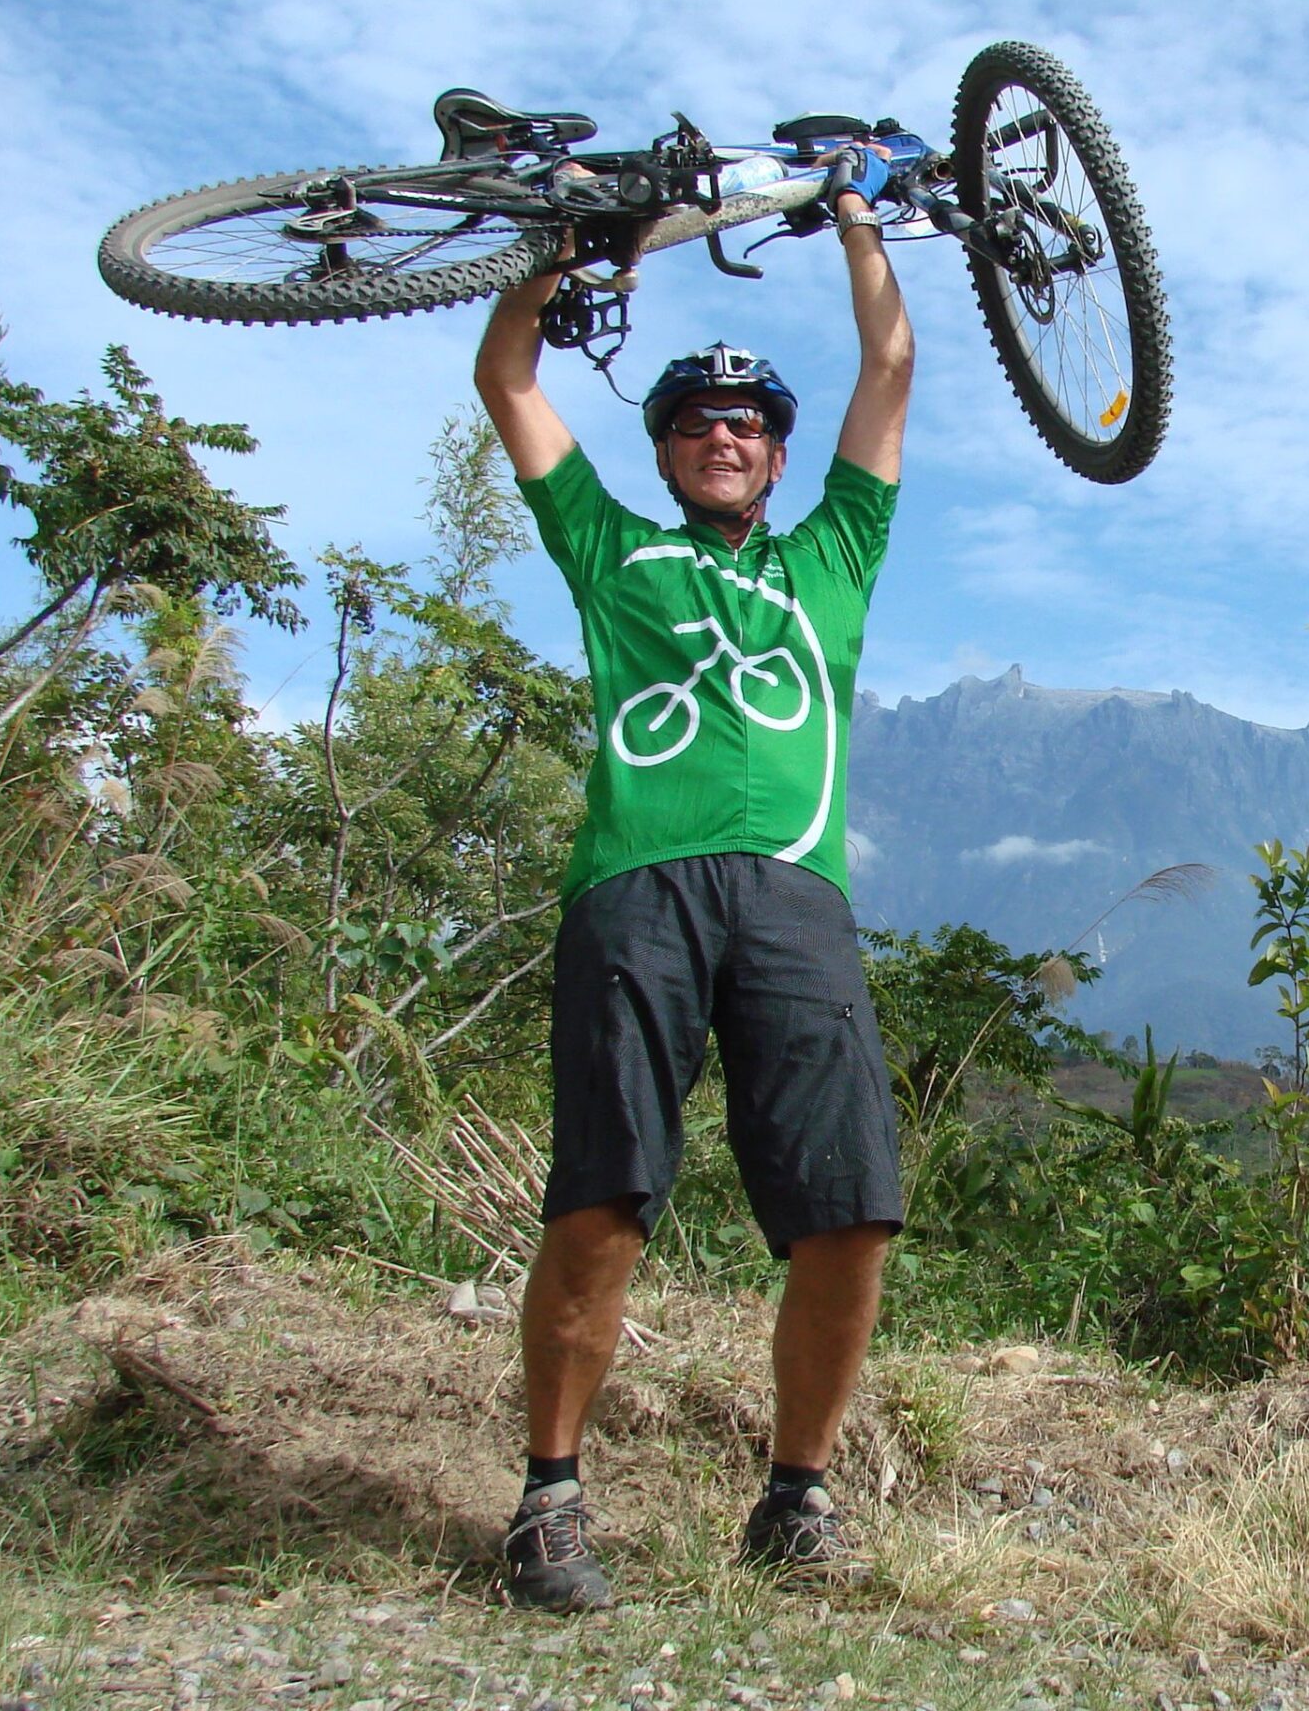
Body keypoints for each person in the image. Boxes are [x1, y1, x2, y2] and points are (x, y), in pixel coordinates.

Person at [471, 153, 912, 1610]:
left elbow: (890, 361)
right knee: (605, 1195)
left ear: (780, 461)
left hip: (795, 897)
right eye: (696, 423)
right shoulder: (612, 555)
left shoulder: (834, 555)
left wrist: (855, 215)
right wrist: (562, 256)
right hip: (635, 892)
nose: (725, 435)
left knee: (850, 1208)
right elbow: (509, 379)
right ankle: (547, 1500)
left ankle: (797, 1494)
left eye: (748, 424)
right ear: (664, 454)